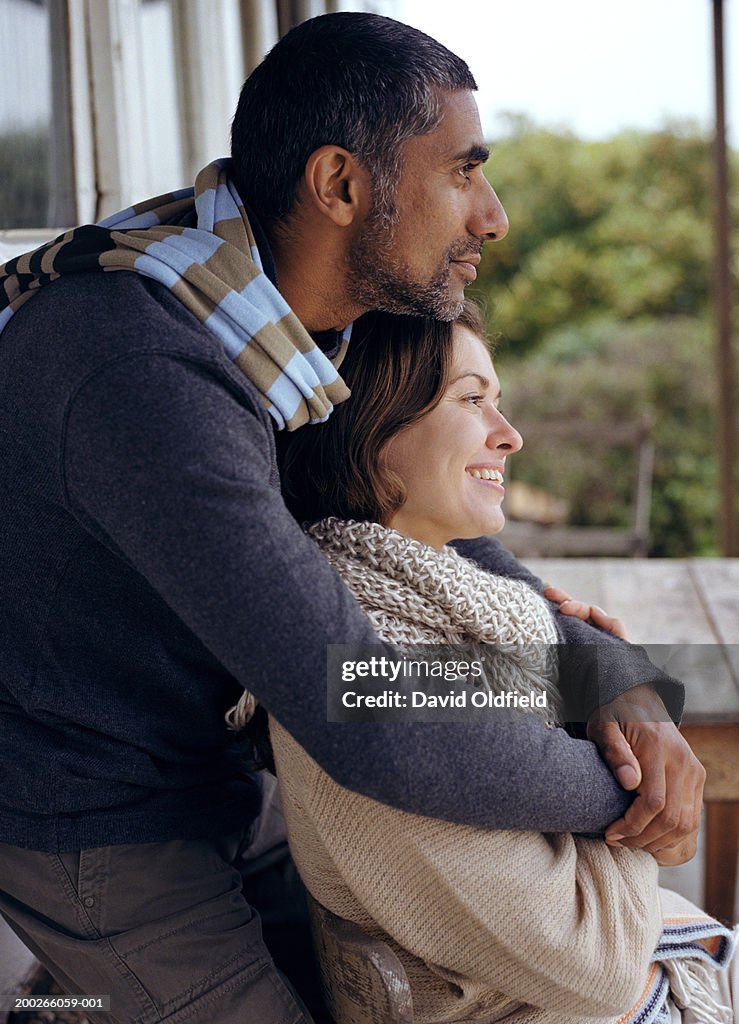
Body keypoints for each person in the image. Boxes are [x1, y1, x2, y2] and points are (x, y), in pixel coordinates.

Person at [0, 12, 703, 1024]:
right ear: (340, 186)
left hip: (221, 774)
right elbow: (364, 697)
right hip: (97, 822)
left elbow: (416, 593)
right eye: (463, 172)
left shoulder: (276, 308)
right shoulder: (149, 366)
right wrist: (626, 790)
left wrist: (609, 683)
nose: (493, 215)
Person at [271, 303, 736, 1023]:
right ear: (373, 425)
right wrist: (629, 782)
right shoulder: (362, 668)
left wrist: (595, 678)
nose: (509, 435)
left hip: (667, 967)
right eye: (471, 399)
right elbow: (600, 965)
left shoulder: (451, 610)